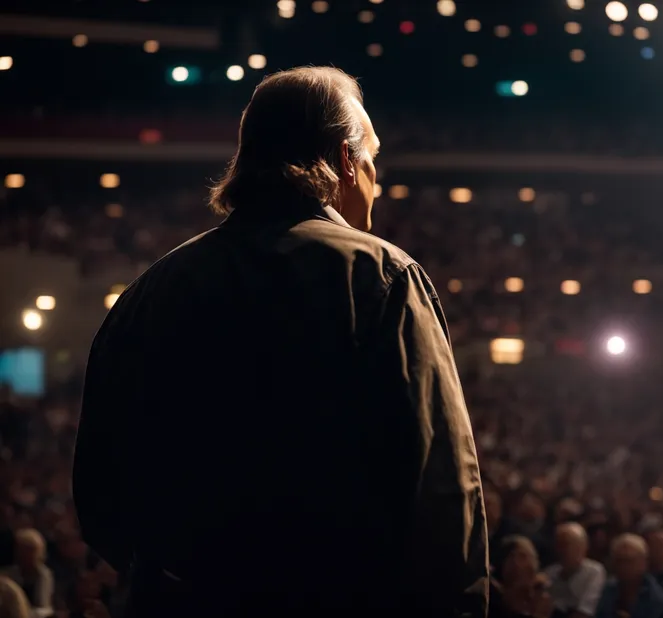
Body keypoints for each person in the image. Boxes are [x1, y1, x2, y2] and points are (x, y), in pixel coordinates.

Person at [72, 66, 489, 617]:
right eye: (372, 160)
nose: (376, 182)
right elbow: (440, 484)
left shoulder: (153, 289)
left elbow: (99, 490)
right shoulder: (380, 276)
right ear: (345, 159)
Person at [594, 534, 663, 618]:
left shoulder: (655, 596)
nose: (623, 566)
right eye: (619, 560)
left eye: (629, 561)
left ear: (643, 563)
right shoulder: (608, 589)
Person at [543, 523, 605, 618]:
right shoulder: (549, 573)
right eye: (560, 544)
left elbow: (585, 612)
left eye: (569, 544)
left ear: (584, 547)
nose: (564, 550)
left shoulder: (594, 572)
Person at [490, 536, 554, 618]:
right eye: (523, 556)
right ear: (507, 564)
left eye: (534, 557)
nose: (532, 565)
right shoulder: (492, 602)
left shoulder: (541, 596)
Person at [0, 529, 53, 613]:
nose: (26, 555)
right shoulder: (7, 576)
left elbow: (43, 605)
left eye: (31, 550)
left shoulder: (44, 575)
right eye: (22, 549)